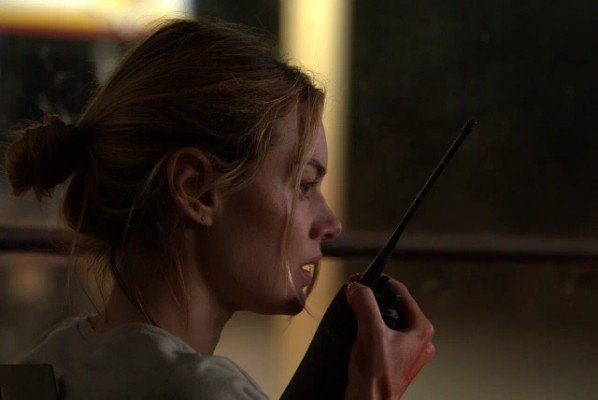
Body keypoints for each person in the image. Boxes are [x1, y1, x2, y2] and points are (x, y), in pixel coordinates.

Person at [3, 17, 435, 399]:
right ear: (196, 189)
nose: (331, 223)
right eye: (304, 185)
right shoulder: (207, 390)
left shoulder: (46, 361)